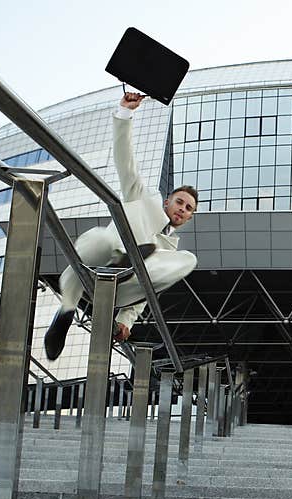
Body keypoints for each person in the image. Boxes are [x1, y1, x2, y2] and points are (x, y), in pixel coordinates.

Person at [44, 92, 198, 360]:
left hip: (124, 288)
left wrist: (126, 320)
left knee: (187, 259)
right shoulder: (142, 199)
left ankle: (129, 266)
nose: (182, 210)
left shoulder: (170, 249)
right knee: (99, 239)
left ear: (188, 218)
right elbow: (125, 160)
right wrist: (125, 113)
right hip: (95, 267)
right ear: (166, 202)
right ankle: (65, 312)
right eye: (179, 202)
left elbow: (150, 291)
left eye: (188, 209)